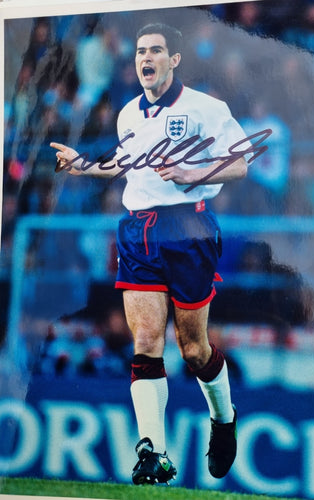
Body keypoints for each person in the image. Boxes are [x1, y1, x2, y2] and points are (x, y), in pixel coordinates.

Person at [50, 22, 253, 486]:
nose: (146, 58)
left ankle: (223, 420)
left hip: (189, 228)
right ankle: (154, 452)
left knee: (194, 350)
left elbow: (241, 160)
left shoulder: (206, 108)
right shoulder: (127, 115)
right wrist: (83, 166)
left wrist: (192, 169)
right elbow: (125, 164)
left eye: (156, 50)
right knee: (145, 342)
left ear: (174, 59)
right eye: (141, 50)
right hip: (138, 231)